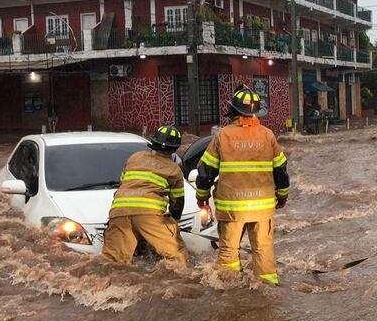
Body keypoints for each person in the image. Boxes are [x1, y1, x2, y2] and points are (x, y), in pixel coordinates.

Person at [195, 86, 289, 285]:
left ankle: (230, 293)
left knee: (229, 251)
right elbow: (281, 170)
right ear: (255, 112)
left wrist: (201, 197)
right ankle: (268, 290)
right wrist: (282, 195)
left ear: (233, 111)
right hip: (262, 207)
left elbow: (205, 172)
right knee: (263, 250)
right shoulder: (268, 135)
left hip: (232, 208)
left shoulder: (223, 136)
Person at [102, 124, 189, 265]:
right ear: (174, 149)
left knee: (112, 261)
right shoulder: (174, 169)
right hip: (150, 215)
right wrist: (174, 222)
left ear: (153, 143)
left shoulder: (134, 158)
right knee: (177, 256)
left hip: (119, 211)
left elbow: (123, 183)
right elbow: (177, 201)